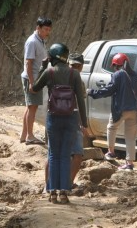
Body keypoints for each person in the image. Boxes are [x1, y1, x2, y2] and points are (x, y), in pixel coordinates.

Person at [32, 43, 88, 203]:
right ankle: (63, 193)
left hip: (53, 117)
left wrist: (43, 67)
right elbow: (80, 100)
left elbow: (34, 88)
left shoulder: (49, 72)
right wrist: (84, 123)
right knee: (65, 155)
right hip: (71, 118)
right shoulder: (74, 74)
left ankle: (52, 192)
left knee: (53, 155)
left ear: (53, 57)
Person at [88, 53, 137, 171]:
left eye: (115, 66)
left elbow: (109, 90)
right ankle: (129, 164)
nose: (114, 68)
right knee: (130, 137)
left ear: (116, 65)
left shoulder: (117, 75)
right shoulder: (135, 75)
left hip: (120, 110)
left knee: (111, 127)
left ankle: (111, 152)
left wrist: (92, 92)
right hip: (134, 111)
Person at [20, 17, 52, 146]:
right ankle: (30, 136)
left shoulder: (40, 40)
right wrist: (32, 83)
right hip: (32, 77)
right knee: (32, 108)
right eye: (45, 29)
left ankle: (24, 135)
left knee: (30, 107)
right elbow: (29, 63)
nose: (47, 32)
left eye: (49, 30)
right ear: (38, 28)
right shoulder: (32, 41)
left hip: (35, 77)